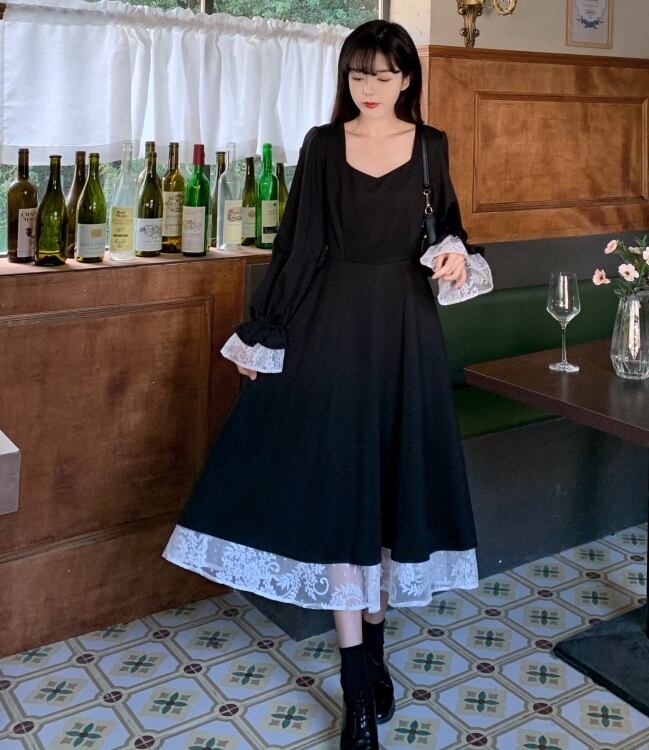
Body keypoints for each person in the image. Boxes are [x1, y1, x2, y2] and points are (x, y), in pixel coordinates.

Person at [163, 18, 493, 750]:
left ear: (407, 78)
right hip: (331, 332)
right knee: (343, 494)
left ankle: (374, 656)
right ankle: (356, 686)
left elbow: (451, 231)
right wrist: (263, 331)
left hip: (406, 335)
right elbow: (297, 246)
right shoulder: (320, 145)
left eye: (384, 74)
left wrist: (451, 252)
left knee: (389, 494)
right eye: (358, 74)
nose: (369, 88)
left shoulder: (432, 146)